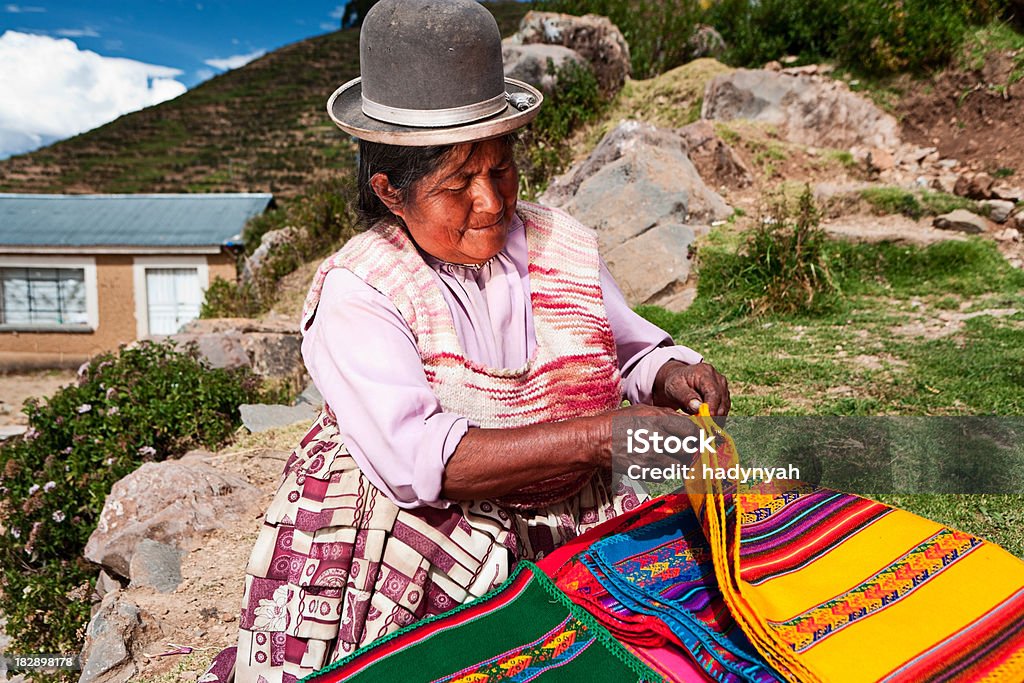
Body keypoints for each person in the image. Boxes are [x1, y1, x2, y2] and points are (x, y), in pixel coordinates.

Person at [205, 1, 729, 680]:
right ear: (391, 190)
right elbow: (421, 460)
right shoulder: (358, 289)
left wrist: (668, 373)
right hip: (424, 527)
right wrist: (602, 435)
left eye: (501, 168)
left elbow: (626, 352)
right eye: (459, 182)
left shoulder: (560, 245)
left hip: (570, 499)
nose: (491, 200)